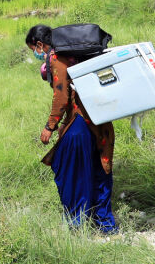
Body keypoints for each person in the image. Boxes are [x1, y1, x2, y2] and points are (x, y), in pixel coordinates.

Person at [26, 24, 118, 234]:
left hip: (81, 125)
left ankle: (77, 225)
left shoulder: (57, 58)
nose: (36, 54)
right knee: (99, 171)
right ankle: (105, 226)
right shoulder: (81, 57)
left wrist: (50, 126)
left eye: (34, 49)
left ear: (40, 44)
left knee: (68, 171)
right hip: (101, 123)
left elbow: (61, 96)